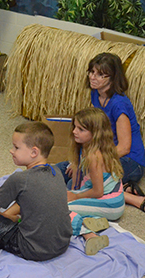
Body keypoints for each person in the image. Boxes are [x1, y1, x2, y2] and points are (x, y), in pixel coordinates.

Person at [0, 122, 72, 261]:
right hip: (62, 244)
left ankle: (7, 223)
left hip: (32, 249)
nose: (11, 151)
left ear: (34, 152)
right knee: (27, 199)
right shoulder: (56, 171)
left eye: (16, 147)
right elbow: (32, 199)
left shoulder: (19, 179)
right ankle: (11, 218)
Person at [87, 53, 145, 212]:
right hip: (110, 153)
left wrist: (95, 159)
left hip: (131, 161)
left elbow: (125, 148)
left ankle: (134, 199)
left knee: (87, 180)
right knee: (67, 170)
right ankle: (126, 188)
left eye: (100, 74)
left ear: (112, 78)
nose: (93, 77)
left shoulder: (119, 104)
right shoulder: (95, 93)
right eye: (92, 72)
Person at [64, 107, 125, 255]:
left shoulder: (94, 155)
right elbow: (79, 179)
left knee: (60, 209)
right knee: (61, 196)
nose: (74, 131)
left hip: (111, 203)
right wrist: (72, 192)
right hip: (110, 196)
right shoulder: (87, 147)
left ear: (95, 133)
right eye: (75, 127)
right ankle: (95, 219)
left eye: (81, 129)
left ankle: (89, 234)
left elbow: (98, 191)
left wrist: (75, 196)